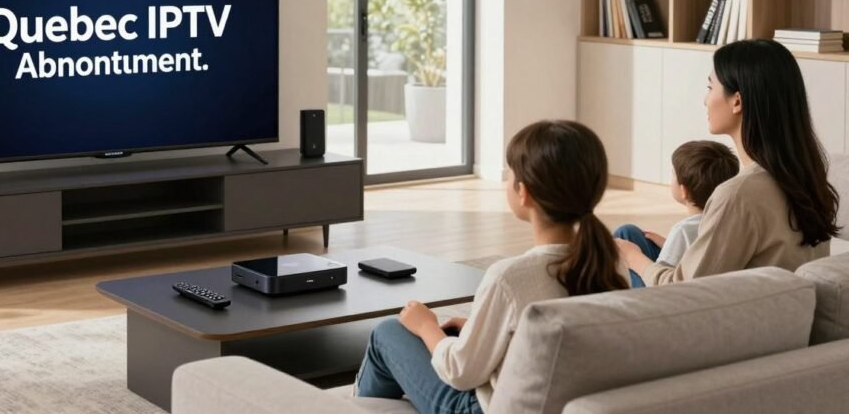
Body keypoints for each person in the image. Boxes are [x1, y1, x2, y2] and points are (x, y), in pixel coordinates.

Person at [354, 121, 628, 414]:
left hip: (478, 409)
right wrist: (475, 330)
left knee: (388, 332)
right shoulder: (611, 261)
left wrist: (426, 327)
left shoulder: (509, 277)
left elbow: (460, 372)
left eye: (510, 172)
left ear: (524, 192)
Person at [616, 39, 839, 286]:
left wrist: (633, 258)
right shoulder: (805, 176)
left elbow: (683, 293)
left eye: (710, 87)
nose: (705, 99)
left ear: (737, 101)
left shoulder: (738, 195)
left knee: (624, 243)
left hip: (709, 316)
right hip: (777, 309)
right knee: (632, 235)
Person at [613, 140, 739, 287]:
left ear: (683, 191)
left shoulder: (682, 230)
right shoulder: (727, 221)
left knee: (622, 242)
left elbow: (661, 280)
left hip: (661, 291)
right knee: (628, 232)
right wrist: (669, 244)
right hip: (695, 274)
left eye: (673, 174)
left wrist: (633, 257)